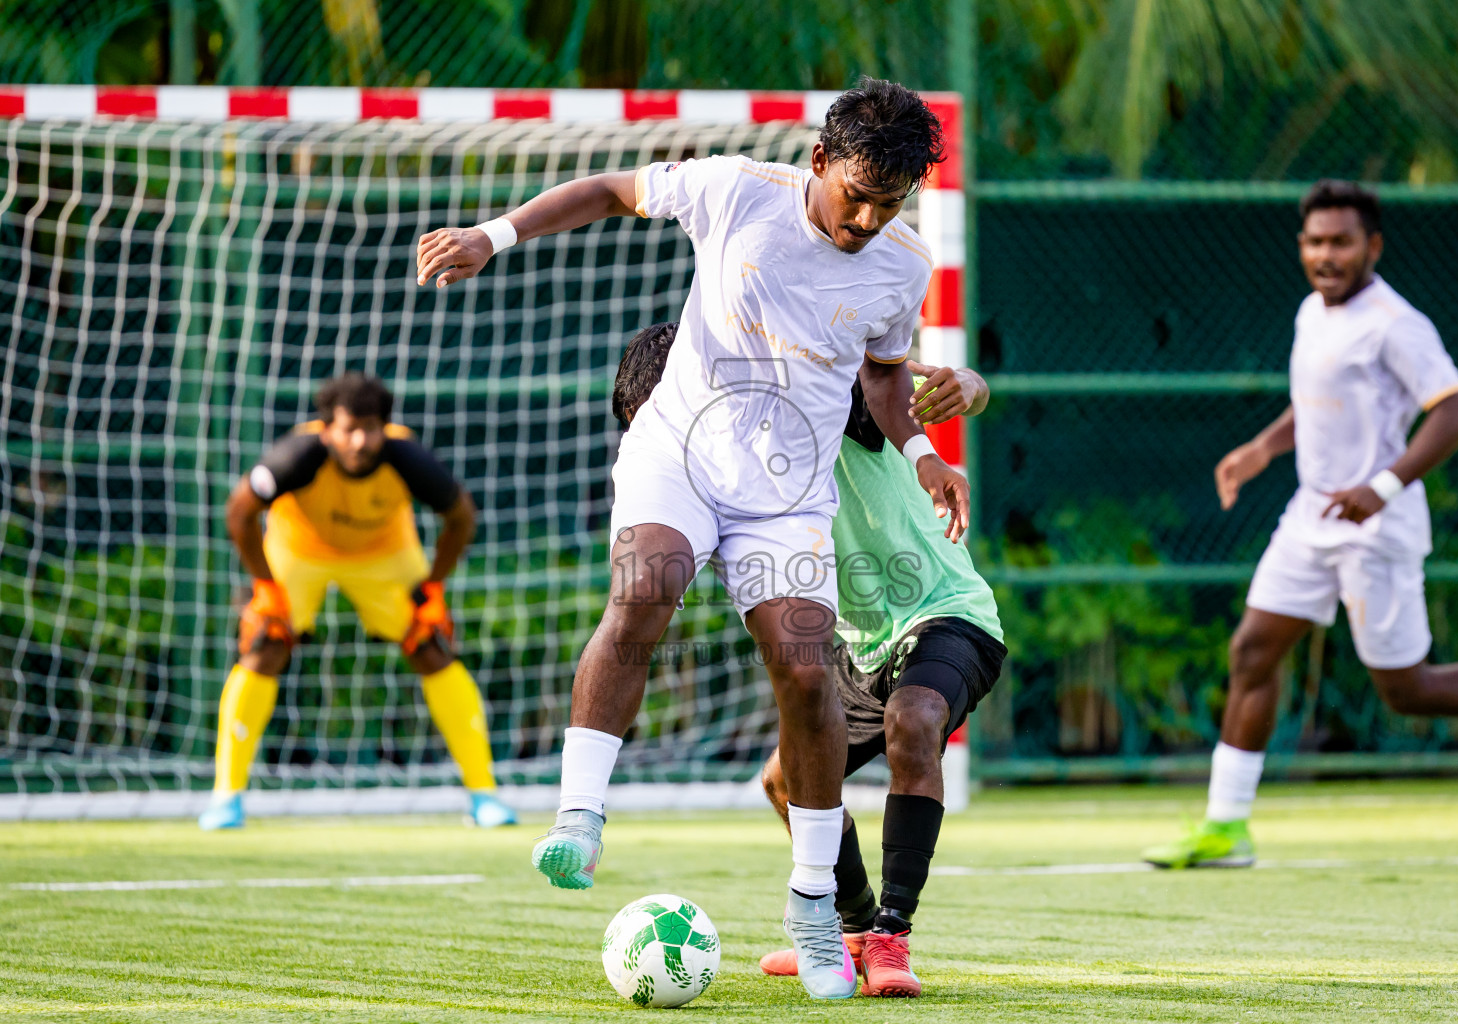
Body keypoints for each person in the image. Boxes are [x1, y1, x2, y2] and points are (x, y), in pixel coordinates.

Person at [417, 77, 966, 1000]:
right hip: (679, 449)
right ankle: (580, 816)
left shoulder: (901, 264)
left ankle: (813, 911)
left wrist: (918, 449)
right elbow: (605, 191)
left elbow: (882, 377)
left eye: (889, 201)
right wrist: (493, 235)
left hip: (787, 490)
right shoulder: (736, 188)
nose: (867, 217)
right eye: (856, 194)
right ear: (820, 160)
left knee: (802, 668)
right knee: (647, 586)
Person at [1142, 181, 1458, 869]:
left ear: (1372, 247)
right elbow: (1315, 403)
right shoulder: (1311, 313)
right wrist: (1262, 449)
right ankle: (1226, 829)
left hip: (1377, 527)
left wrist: (1381, 488)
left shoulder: (1395, 323)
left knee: (1405, 689)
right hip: (1311, 516)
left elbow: (1454, 412)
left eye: (1341, 242)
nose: (1327, 254)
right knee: (1252, 652)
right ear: (1302, 247)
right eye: (1315, 241)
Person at [613, 323, 1006, 998]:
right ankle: (850, 937)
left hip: (948, 613)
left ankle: (891, 936)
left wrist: (966, 386)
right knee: (783, 783)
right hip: (861, 647)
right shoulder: (716, 475)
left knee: (913, 719)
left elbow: (947, 384)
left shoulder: (823, 388)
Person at [200, 373, 516, 831]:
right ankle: (226, 798)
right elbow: (239, 510)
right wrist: (264, 586)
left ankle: (484, 795)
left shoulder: (406, 457)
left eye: (370, 429)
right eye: (348, 429)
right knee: (266, 642)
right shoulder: (299, 455)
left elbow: (461, 517)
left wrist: (434, 589)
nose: (359, 441)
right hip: (300, 548)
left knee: (430, 644)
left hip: (383, 553)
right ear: (326, 429)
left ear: (384, 428)